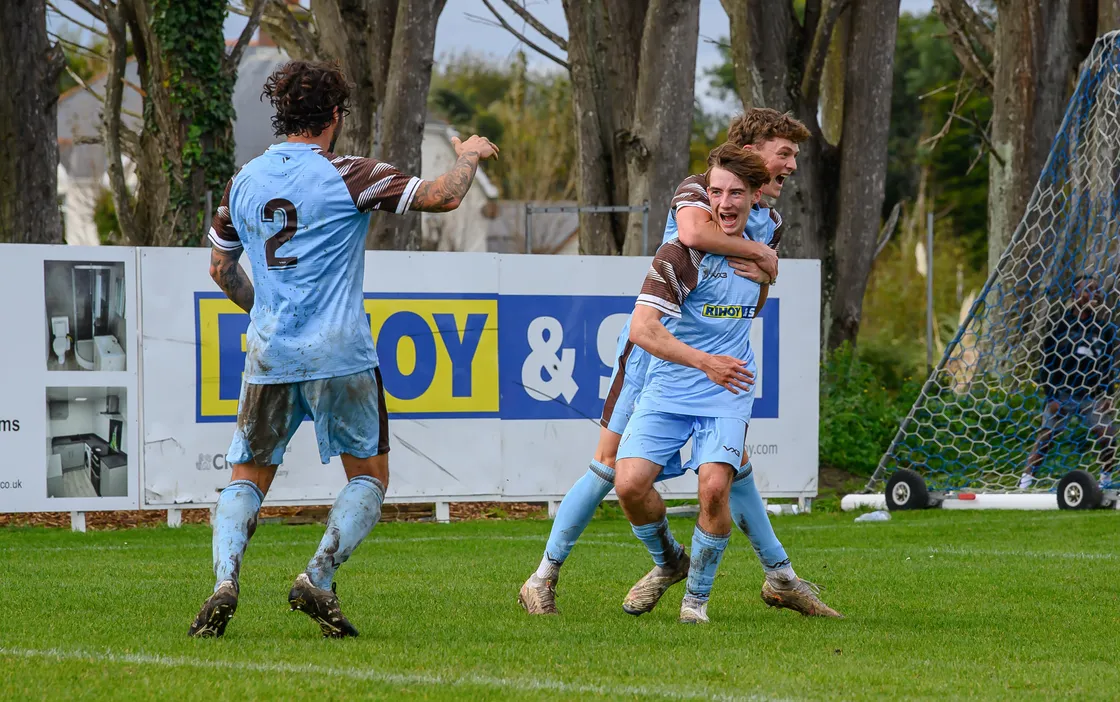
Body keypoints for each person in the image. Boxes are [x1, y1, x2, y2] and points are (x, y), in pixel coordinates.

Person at [189, 60, 498, 639]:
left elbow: (219, 265)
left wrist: (262, 313)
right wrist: (469, 155)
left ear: (282, 115)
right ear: (334, 116)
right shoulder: (349, 174)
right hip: (342, 355)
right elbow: (443, 196)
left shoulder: (244, 181)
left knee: (246, 478)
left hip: (269, 355)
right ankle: (318, 576)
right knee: (369, 476)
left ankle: (225, 579)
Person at [518, 109, 840, 619]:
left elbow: (752, 290)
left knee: (727, 470)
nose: (792, 165)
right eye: (784, 153)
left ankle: (776, 577)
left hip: (715, 359)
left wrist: (765, 269)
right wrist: (761, 256)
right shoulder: (698, 187)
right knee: (611, 468)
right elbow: (691, 235)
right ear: (754, 150)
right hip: (654, 349)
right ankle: (544, 576)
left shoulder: (770, 220)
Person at [614, 144, 772, 624]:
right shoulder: (680, 255)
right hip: (671, 385)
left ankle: (696, 602)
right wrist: (706, 362)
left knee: (714, 490)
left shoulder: (765, 248)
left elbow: (750, 308)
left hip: (727, 390)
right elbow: (642, 329)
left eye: (737, 193)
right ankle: (669, 561)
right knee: (628, 486)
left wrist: (765, 274)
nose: (725, 203)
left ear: (755, 197)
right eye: (717, 192)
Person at [1020, 275, 1119, 489]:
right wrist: (1052, 397)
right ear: (1074, 294)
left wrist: (1107, 395)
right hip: (1062, 393)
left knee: (1108, 436)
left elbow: (1107, 365)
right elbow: (1046, 364)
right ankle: (1025, 482)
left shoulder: (1105, 329)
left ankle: (1106, 480)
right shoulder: (1059, 325)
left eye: (1096, 290)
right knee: (1046, 437)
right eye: (1088, 289)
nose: (1094, 294)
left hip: (1089, 396)